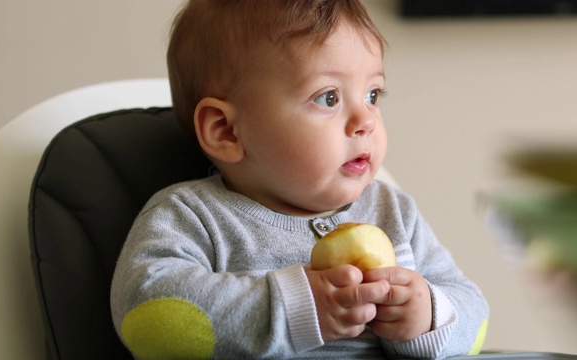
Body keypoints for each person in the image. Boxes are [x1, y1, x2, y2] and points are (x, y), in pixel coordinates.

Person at [111, 0, 489, 359]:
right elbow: (146, 312)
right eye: (328, 98)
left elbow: (476, 312)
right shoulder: (192, 215)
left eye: (373, 94)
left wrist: (429, 315)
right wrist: (295, 307)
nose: (366, 121)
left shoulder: (394, 211)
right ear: (226, 131)